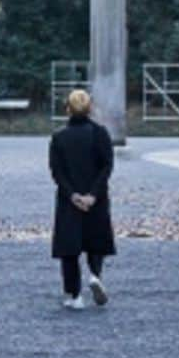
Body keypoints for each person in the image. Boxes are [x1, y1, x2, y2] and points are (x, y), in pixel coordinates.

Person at [49, 88, 115, 310]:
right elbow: (107, 166)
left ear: (67, 109)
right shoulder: (100, 133)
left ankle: (74, 295)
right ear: (90, 108)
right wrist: (93, 195)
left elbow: (56, 171)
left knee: (70, 248)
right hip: (96, 198)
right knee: (95, 240)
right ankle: (95, 275)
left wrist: (73, 195)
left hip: (70, 200)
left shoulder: (59, 137)